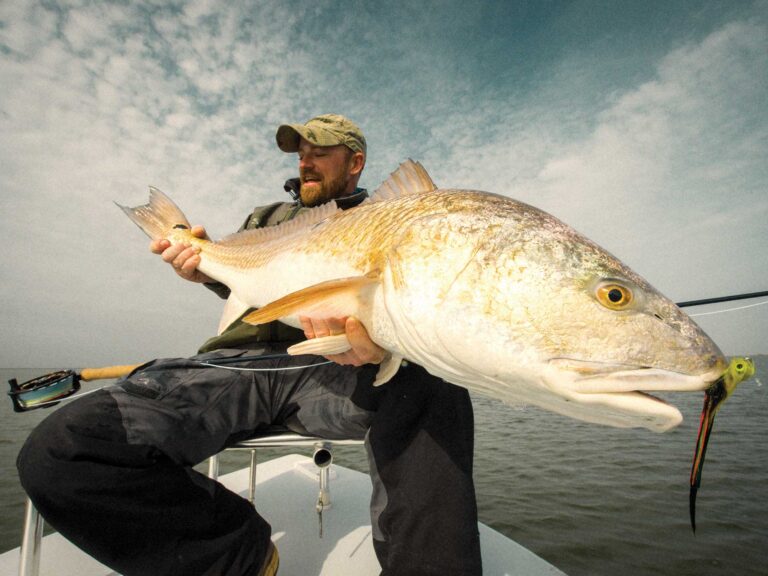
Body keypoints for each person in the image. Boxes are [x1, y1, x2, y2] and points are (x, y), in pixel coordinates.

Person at [17, 114, 482, 576]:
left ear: (355, 161)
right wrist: (201, 266)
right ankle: (240, 558)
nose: (306, 164)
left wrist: (384, 345)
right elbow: (241, 280)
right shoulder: (265, 218)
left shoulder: (387, 219)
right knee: (62, 450)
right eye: (301, 155)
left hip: (332, 369)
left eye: (319, 152)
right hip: (232, 367)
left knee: (435, 390)